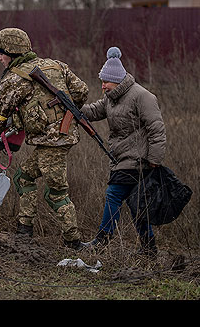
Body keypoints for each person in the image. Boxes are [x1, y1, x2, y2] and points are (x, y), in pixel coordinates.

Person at [0, 28, 89, 250]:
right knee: (23, 177)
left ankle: (73, 242)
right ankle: (24, 230)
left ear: (13, 53)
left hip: (52, 143)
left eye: (1, 53)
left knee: (56, 193)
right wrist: (60, 113)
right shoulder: (57, 65)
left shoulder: (14, 80)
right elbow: (82, 92)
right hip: (58, 138)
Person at [80, 47, 167, 256]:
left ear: (117, 80)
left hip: (138, 160)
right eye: (101, 82)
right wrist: (72, 106)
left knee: (113, 194)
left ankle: (102, 239)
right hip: (120, 158)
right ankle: (149, 247)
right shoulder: (112, 98)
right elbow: (93, 111)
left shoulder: (142, 96)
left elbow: (157, 129)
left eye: (105, 82)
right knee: (136, 205)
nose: (102, 86)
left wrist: (154, 159)